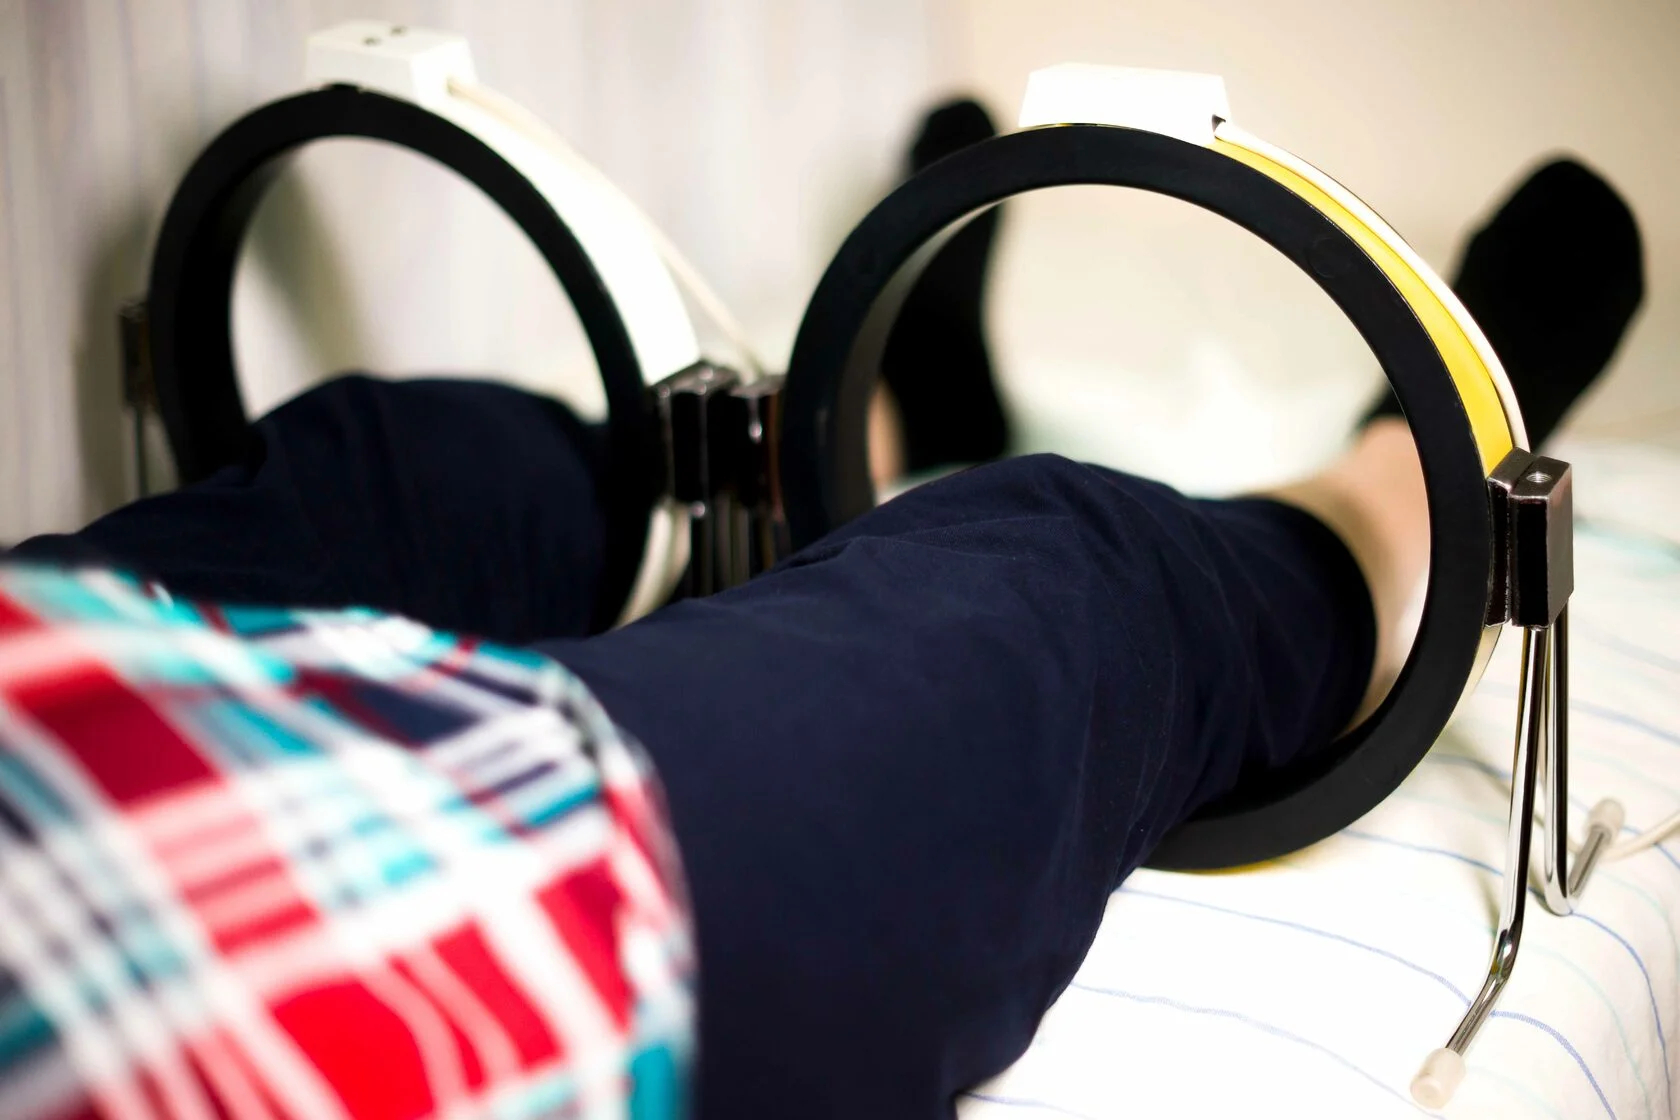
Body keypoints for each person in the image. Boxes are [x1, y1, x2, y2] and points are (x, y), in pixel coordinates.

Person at [0, 98, 1644, 1119]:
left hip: (65, 705)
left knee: (409, 471)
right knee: (1051, 578)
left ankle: (885, 414)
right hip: (363, 973)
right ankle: (1412, 474)